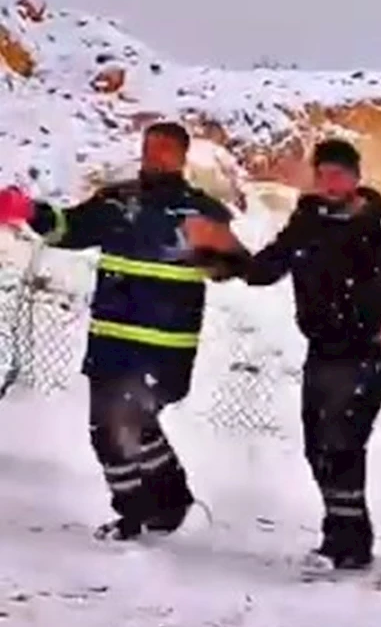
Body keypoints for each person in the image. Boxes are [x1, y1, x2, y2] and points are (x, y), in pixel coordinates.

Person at [0, 122, 248, 540]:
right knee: (106, 430)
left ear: (183, 156)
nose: (156, 155)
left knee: (132, 420)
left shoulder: (203, 210)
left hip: (166, 343)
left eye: (166, 149)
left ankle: (162, 506)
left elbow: (236, 266)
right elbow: (67, 228)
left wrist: (215, 252)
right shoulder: (118, 201)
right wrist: (28, 212)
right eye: (150, 147)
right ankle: (146, 511)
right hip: (112, 338)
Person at [243, 138, 381, 570]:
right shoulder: (308, 221)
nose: (329, 183)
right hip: (324, 346)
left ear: (356, 177)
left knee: (343, 441)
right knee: (318, 446)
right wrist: (224, 258)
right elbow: (268, 266)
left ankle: (346, 545)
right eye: (322, 175)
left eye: (338, 174)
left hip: (371, 350)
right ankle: (346, 530)